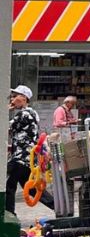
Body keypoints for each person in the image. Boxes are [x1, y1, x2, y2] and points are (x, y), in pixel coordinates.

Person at [6, 85, 55, 215]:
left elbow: (4, 126)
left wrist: (5, 111)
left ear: (24, 98)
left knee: (8, 185)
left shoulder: (24, 114)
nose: (12, 99)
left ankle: (9, 214)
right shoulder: (32, 113)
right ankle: (59, 209)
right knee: (32, 188)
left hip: (20, 158)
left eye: (15, 96)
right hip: (27, 158)